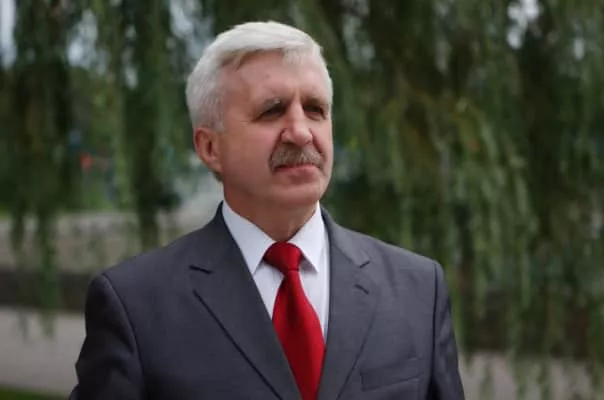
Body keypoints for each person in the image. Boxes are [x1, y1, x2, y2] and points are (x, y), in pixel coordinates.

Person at [70, 21, 465, 400]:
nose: (301, 132)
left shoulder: (418, 289)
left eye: (315, 109)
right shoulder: (136, 306)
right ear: (210, 148)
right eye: (272, 111)